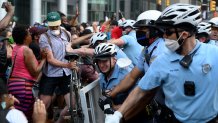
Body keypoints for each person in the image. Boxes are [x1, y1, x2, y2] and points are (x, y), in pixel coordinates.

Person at [105, 3, 218, 123]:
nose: (164, 36)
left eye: (168, 32)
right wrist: (118, 115)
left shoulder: (214, 54)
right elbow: (141, 91)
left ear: (184, 35)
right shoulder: (162, 61)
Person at [108, 10, 167, 122]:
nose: (138, 32)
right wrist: (111, 94)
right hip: (158, 104)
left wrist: (121, 114)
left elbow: (147, 92)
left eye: (142, 29)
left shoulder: (160, 51)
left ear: (155, 30)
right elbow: (132, 76)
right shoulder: (147, 50)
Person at [39, 11, 77, 123]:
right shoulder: (44, 37)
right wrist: (67, 65)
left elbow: (69, 51)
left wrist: (73, 62)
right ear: (48, 25)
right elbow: (50, 59)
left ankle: (59, 121)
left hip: (66, 74)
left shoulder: (67, 34)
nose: (55, 27)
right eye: (52, 25)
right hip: (50, 74)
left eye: (56, 24)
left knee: (72, 104)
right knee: (44, 105)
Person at [7, 25, 47, 122]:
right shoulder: (26, 50)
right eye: (29, 34)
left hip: (12, 85)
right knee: (26, 116)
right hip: (24, 87)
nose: (31, 36)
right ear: (25, 38)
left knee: (15, 113)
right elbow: (35, 72)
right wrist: (43, 59)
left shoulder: (16, 48)